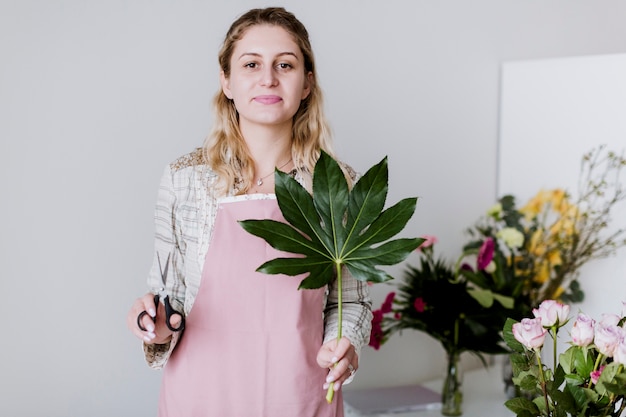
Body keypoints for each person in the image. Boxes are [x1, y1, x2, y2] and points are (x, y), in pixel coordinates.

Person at [126, 7, 372, 417]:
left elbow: (353, 302)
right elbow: (169, 298)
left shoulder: (341, 187)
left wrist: (345, 343)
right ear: (227, 81)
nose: (268, 78)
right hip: (200, 396)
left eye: (285, 65)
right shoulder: (184, 179)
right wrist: (157, 325)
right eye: (252, 64)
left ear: (307, 82)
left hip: (301, 395)